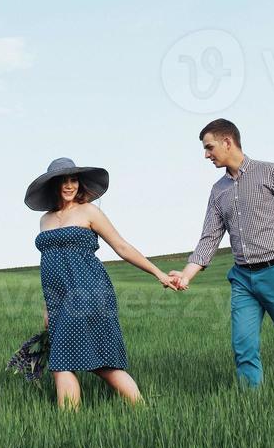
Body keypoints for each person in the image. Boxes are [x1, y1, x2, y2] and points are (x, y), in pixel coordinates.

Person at [168, 119, 274, 387]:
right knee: (244, 350)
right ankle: (250, 410)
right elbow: (209, 238)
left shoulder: (271, 173)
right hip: (243, 279)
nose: (206, 155)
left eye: (209, 147)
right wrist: (186, 276)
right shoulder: (218, 191)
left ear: (227, 142)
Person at [25, 157, 178, 409]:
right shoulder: (45, 220)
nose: (69, 185)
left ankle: (140, 410)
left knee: (81, 361)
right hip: (59, 299)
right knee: (67, 362)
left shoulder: (89, 211)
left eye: (73, 179)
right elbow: (49, 267)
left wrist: (159, 274)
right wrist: (47, 306)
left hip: (89, 292)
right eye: (63, 181)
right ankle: (78, 423)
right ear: (53, 185)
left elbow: (121, 246)